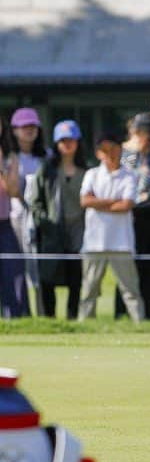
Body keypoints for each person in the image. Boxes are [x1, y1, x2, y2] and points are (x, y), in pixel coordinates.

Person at [77, 129, 144, 322]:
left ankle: (141, 327)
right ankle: (84, 327)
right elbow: (85, 201)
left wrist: (99, 202)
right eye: (104, 150)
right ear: (98, 153)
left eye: (112, 149)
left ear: (120, 149)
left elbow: (126, 205)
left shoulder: (129, 175)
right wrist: (112, 202)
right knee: (89, 290)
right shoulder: (92, 174)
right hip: (93, 243)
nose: (109, 154)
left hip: (121, 243)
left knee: (131, 291)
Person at [29, 121, 86, 319]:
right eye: (62, 140)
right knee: (48, 280)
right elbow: (35, 203)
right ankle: (49, 321)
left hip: (79, 235)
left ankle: (72, 321)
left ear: (78, 141)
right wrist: (46, 224)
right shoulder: (47, 170)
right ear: (56, 143)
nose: (67, 144)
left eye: (70, 139)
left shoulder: (86, 171)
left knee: (76, 281)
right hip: (52, 235)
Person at [118, 114, 150, 320]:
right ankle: (126, 316)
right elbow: (127, 186)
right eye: (147, 138)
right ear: (135, 134)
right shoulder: (123, 155)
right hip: (132, 219)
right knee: (130, 273)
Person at [10, 107, 48, 316]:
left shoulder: (46, 156)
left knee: (39, 270)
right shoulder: (9, 156)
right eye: (24, 126)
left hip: (40, 221)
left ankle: (42, 315)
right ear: (14, 130)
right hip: (15, 218)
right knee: (17, 269)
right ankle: (22, 313)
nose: (29, 130)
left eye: (33, 126)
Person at [0, 114, 27, 318]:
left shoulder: (11, 157)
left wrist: (2, 166)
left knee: (14, 270)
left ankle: (15, 319)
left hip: (4, 223)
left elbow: (11, 190)